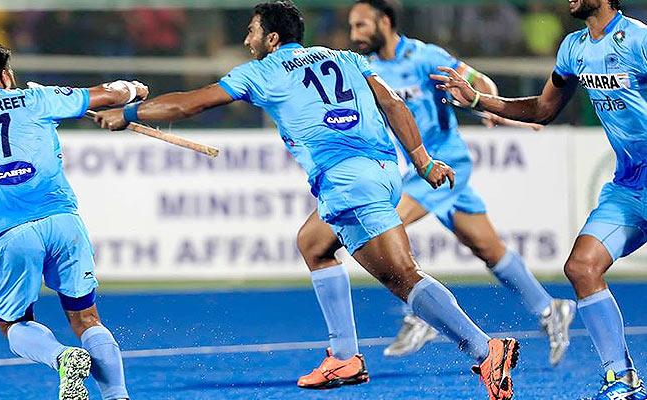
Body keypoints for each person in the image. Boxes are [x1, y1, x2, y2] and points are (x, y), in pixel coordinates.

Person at [94, 2, 520, 399]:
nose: (247, 41)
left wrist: (128, 113)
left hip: (348, 180)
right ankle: (344, 357)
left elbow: (189, 105)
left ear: (273, 39)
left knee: (401, 276)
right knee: (314, 243)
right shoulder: (346, 58)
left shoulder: (261, 72)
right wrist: (423, 163)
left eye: (252, 32)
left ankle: (485, 351)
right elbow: (393, 105)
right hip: (383, 172)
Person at [294, 0, 572, 365]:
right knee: (488, 248)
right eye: (352, 27)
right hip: (415, 171)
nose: (354, 35)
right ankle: (550, 309)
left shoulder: (424, 57)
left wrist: (488, 105)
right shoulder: (366, 70)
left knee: (386, 221)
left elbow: (476, 81)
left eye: (361, 26)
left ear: (385, 22)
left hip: (446, 166)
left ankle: (419, 311)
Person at [432, 0, 647, 398]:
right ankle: (623, 380)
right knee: (582, 268)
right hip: (630, 186)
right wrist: (479, 101)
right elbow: (543, 109)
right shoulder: (574, 48)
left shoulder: (638, 40)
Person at [0, 42, 148, 400]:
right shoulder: (38, 99)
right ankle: (117, 396)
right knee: (86, 318)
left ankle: (62, 357)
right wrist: (134, 89)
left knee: (12, 324)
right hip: (61, 223)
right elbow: (108, 95)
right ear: (5, 75)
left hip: (9, 232)